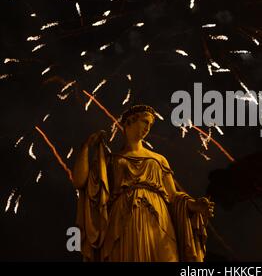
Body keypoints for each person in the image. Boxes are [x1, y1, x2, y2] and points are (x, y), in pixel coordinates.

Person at [72, 105, 214, 261]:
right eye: (145, 122)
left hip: (159, 218)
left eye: (150, 124)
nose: (148, 128)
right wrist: (86, 147)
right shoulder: (110, 160)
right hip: (122, 220)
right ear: (129, 123)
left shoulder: (159, 159)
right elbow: (79, 181)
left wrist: (194, 205)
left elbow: (173, 195)